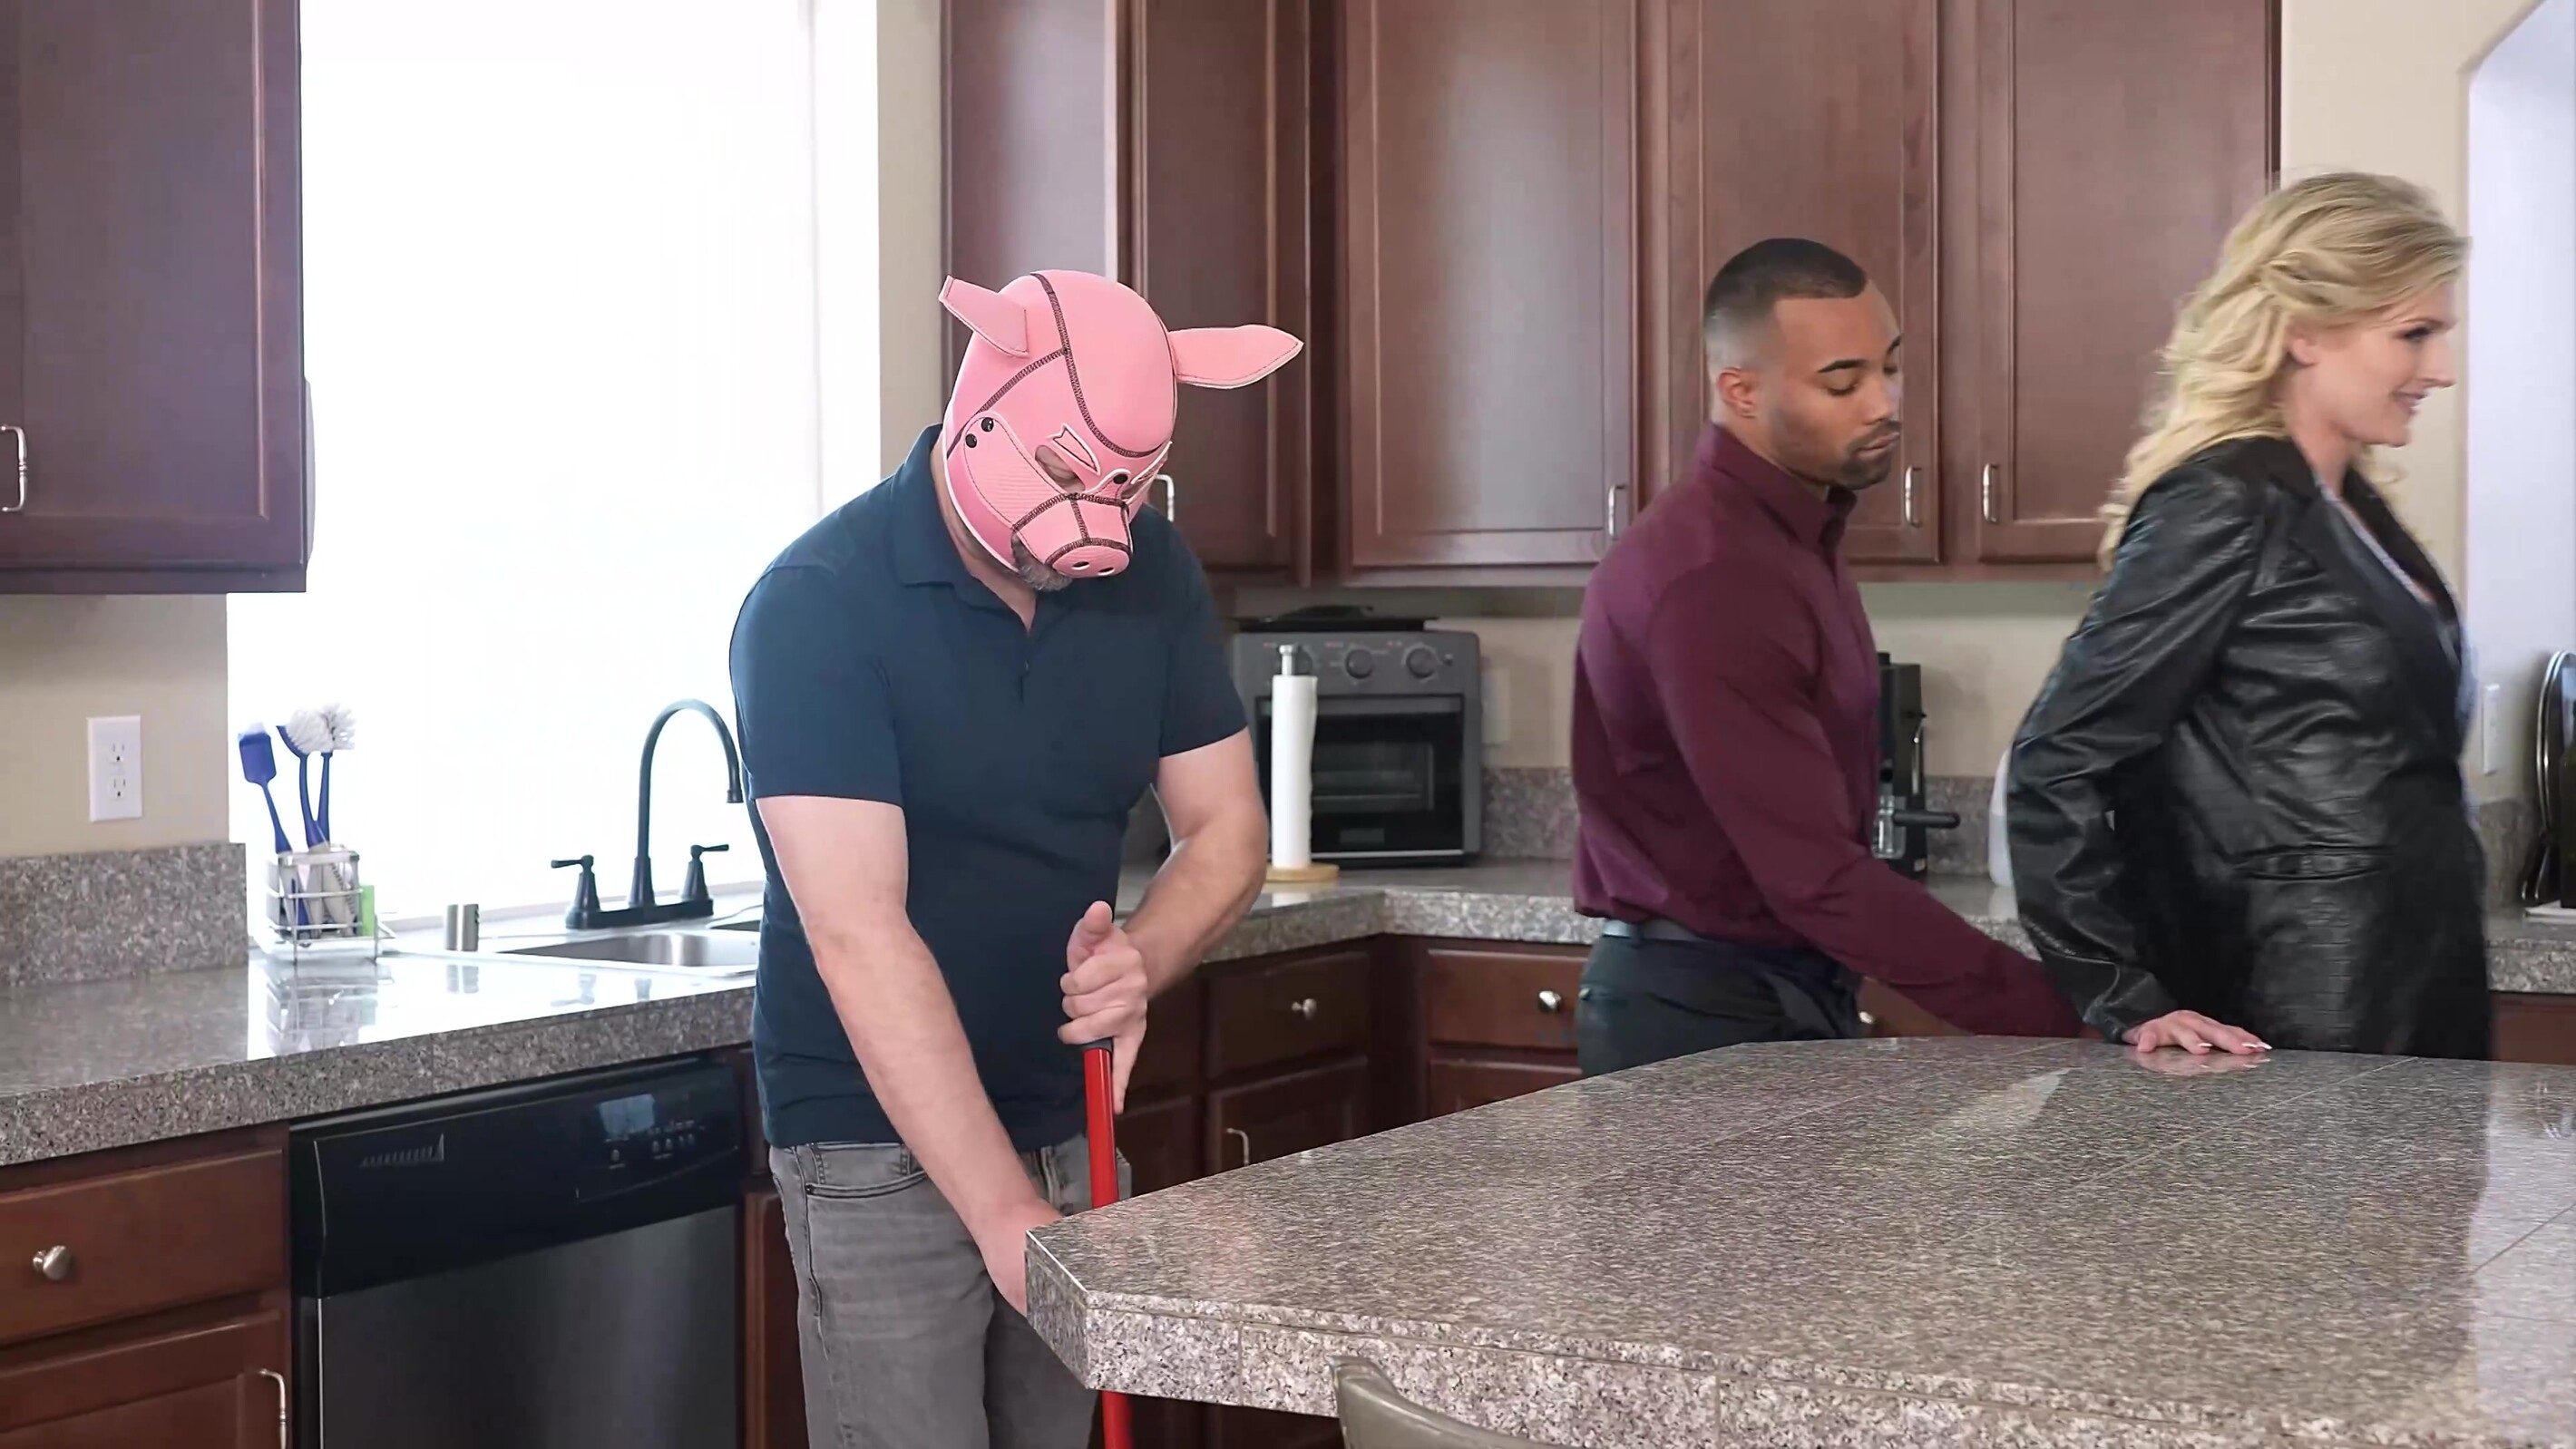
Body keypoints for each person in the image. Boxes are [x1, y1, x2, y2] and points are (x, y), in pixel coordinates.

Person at [728, 268, 1293, 1446]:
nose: (1093, 525)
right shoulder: (817, 605)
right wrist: (1000, 1213)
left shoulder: (1152, 572)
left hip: (1067, 1111)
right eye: (1064, 476)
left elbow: (1228, 829)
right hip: (872, 1144)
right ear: (980, 409)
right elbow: (857, 930)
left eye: (1125, 488)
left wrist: (1141, 956)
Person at [1571, 237, 2179, 1075]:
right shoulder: (1714, 576)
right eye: (1841, 382)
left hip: (1765, 992)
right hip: (1698, 1016)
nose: (1884, 403)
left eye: (1890, 368)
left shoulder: (1788, 540)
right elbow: (1813, 876)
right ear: (1741, 392)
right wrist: (2073, 1017)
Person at [2007, 171, 2485, 1060]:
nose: (2441, 369)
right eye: (2412, 334)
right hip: (2302, 1016)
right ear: (2303, 331)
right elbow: (2057, 756)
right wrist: (2121, 992)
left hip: (2411, 993)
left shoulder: (2346, 507)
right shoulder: (2222, 502)